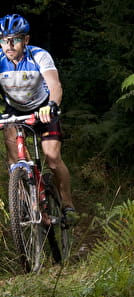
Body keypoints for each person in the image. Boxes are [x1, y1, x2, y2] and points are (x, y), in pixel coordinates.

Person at [0, 13, 77, 226]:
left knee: (52, 157)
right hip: (15, 110)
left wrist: (52, 105)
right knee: (15, 161)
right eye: (4, 39)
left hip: (42, 108)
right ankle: (24, 202)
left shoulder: (39, 56)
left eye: (15, 39)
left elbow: (55, 85)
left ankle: (67, 205)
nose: (9, 45)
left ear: (25, 40)